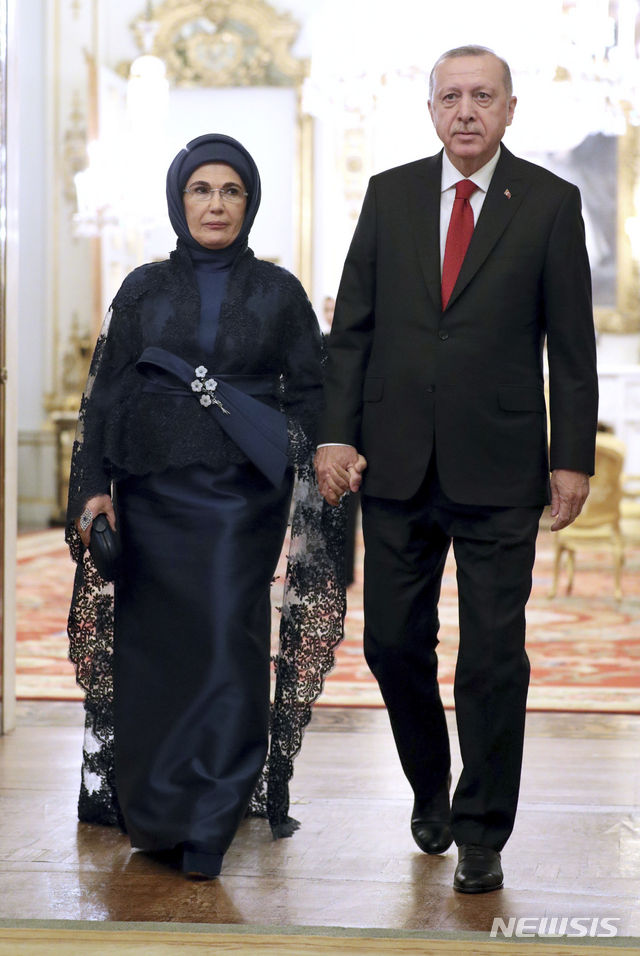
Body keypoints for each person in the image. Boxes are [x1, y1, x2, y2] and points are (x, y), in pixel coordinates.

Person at [315, 46, 598, 894]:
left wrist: (571, 458)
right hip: (394, 461)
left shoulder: (550, 202)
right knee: (391, 643)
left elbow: (571, 346)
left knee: (493, 658)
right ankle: (430, 783)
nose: (466, 110)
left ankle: (481, 830)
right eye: (451, 97)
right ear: (431, 109)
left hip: (502, 466)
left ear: (510, 109)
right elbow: (352, 332)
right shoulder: (389, 195)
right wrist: (334, 437)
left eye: (482, 96)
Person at [66, 133, 346, 880]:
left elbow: (310, 391)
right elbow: (104, 397)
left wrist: (309, 453)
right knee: (153, 652)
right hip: (150, 496)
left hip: (239, 502)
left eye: (231, 191)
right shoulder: (141, 288)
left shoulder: (279, 292)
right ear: (178, 199)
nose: (215, 204)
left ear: (249, 203)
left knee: (227, 643)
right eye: (201, 189)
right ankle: (156, 814)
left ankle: (211, 818)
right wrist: (93, 488)